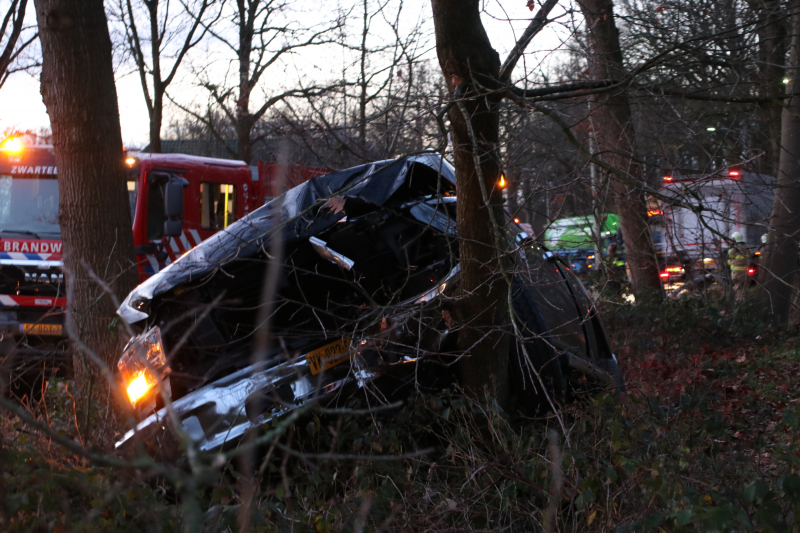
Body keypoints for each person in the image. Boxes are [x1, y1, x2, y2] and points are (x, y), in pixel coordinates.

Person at [727, 232, 750, 301]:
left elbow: (730, 255)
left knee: (738, 288)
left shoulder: (735, 248)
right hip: (746, 271)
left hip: (737, 272)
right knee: (745, 287)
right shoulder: (747, 247)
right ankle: (747, 302)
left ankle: (739, 304)